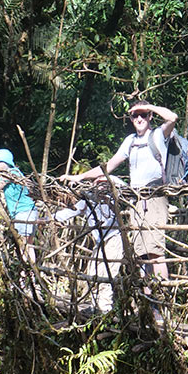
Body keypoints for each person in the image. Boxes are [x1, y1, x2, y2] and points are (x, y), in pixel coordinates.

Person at [58, 100, 177, 281]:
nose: (139, 118)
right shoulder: (130, 141)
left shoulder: (158, 135)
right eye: (135, 115)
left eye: (143, 115)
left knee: (155, 253)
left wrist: (148, 107)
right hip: (136, 200)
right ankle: (147, 302)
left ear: (150, 116)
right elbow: (109, 166)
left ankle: (161, 298)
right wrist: (78, 177)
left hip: (154, 196)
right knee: (141, 255)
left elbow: (172, 117)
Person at [54, 178, 126, 312]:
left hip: (113, 239)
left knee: (107, 274)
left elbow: (125, 187)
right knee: (93, 273)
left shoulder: (114, 200)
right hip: (100, 242)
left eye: (103, 184)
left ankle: (104, 309)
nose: (99, 187)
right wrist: (49, 218)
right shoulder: (88, 200)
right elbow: (69, 212)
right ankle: (94, 306)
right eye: (97, 184)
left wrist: (110, 181)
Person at [0, 148, 38, 266]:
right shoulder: (15, 173)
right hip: (29, 212)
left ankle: (25, 276)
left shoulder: (11, 173)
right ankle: (30, 276)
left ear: (5, 162)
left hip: (23, 213)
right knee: (28, 245)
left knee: (24, 246)